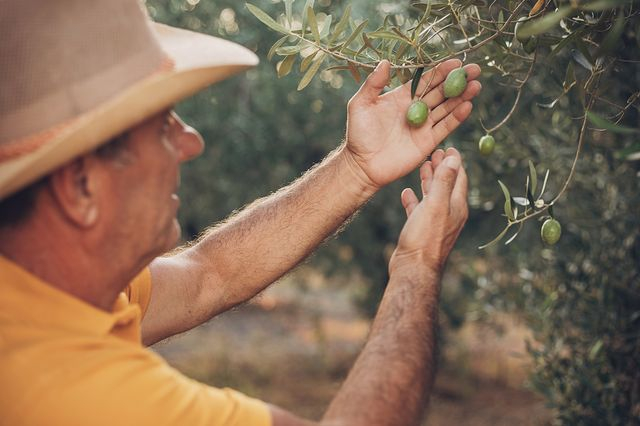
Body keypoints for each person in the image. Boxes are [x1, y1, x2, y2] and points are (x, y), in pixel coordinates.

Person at [0, 1, 481, 425]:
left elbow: (209, 275)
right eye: (161, 124)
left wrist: (356, 170)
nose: (190, 141)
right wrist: (417, 265)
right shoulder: (75, 396)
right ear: (82, 187)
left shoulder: (46, 287)